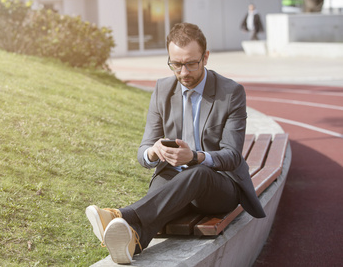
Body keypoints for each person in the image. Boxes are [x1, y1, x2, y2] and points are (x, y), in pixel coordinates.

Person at [86, 22, 265, 264]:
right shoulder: (162, 89)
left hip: (218, 185)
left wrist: (195, 157)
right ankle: (131, 242)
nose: (183, 72)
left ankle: (120, 215)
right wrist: (153, 151)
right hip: (174, 179)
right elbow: (143, 151)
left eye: (191, 63)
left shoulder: (231, 92)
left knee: (198, 174)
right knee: (161, 188)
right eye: (176, 64)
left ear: (206, 57)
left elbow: (232, 156)